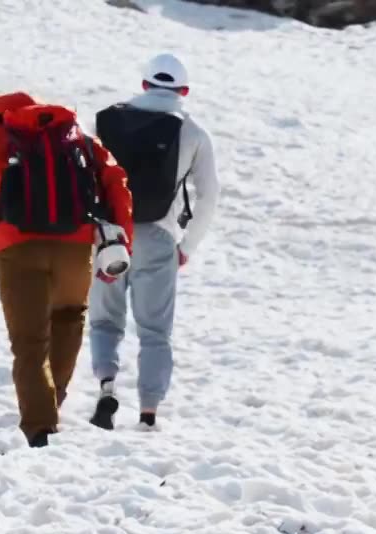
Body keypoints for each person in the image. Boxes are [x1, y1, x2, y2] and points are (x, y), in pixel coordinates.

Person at [0, 92, 134, 448]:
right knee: (70, 316)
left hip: (16, 246)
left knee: (29, 341)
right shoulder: (68, 131)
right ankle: (51, 401)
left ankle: (40, 429)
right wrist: (120, 247)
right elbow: (116, 182)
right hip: (75, 244)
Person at [88, 52, 219, 431]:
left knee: (104, 320)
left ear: (144, 84)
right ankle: (148, 413)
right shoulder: (193, 131)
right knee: (155, 331)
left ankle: (106, 386)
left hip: (109, 234)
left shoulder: (105, 119)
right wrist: (186, 248)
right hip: (159, 236)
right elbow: (208, 197)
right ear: (185, 90)